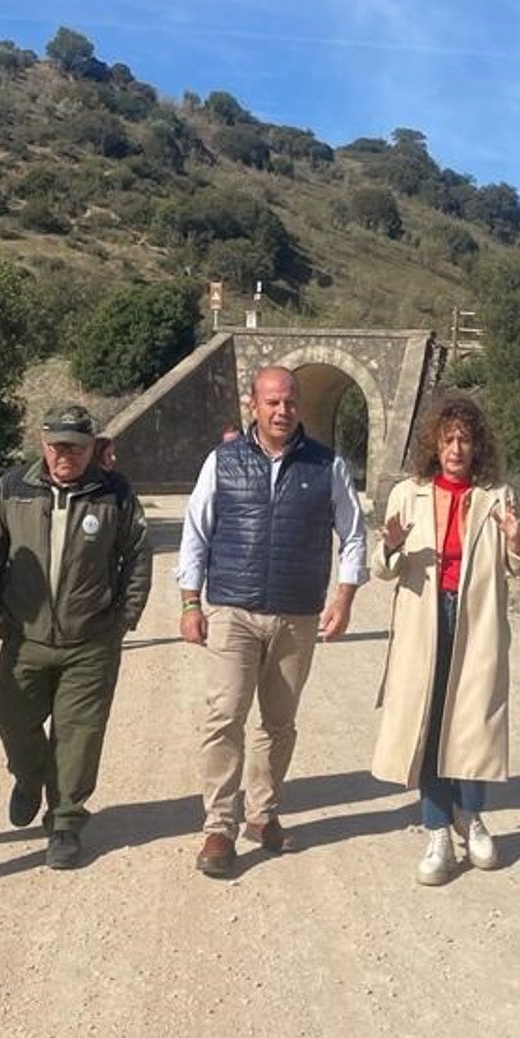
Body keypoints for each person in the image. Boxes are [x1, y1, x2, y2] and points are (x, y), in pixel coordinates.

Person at [177, 366, 368, 878]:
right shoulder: (223, 461)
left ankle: (262, 816)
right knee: (225, 717)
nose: (282, 411)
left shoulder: (327, 466)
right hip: (233, 612)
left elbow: (353, 535)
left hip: (297, 615)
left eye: (289, 402)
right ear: (253, 405)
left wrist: (344, 597)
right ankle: (219, 826)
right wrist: (190, 603)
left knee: (278, 724)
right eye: (272, 403)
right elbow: (196, 531)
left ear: (299, 406)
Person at [0, 405, 152, 869]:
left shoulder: (113, 493)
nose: (64, 454)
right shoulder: (12, 489)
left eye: (75, 445)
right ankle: (29, 780)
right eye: (56, 445)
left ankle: (66, 823)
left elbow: (137, 557)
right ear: (43, 444)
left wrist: (124, 618)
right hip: (24, 638)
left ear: (93, 447)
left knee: (78, 735)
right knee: (12, 720)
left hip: (90, 642)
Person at [369, 393, 520, 885]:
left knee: (473, 722)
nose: (457, 448)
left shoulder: (497, 496)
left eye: (465, 439)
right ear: (434, 445)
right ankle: (438, 829)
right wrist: (392, 546)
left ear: (477, 445)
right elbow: (382, 569)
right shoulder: (409, 494)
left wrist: (516, 539)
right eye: (448, 440)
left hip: (476, 623)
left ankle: (474, 817)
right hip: (424, 622)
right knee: (429, 719)